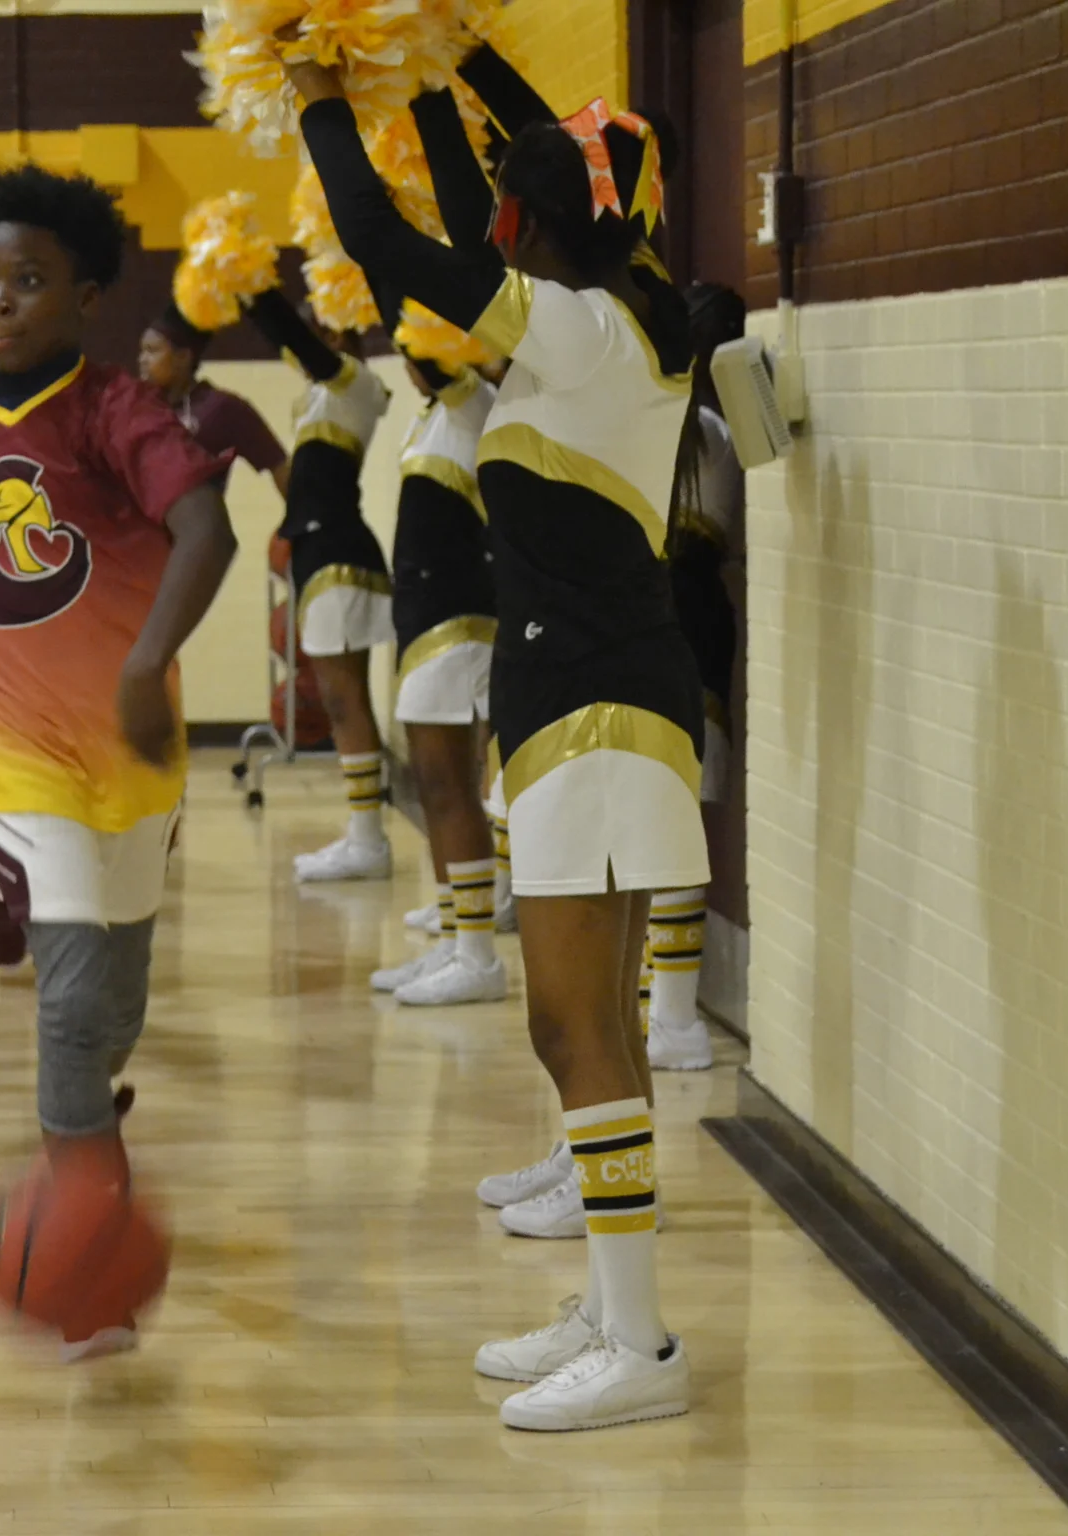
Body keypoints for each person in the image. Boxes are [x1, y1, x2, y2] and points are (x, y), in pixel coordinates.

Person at [293, 41, 706, 1429]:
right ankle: (610, 1307)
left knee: (569, 1021)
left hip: (594, 711)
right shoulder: (625, 309)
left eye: (506, 214)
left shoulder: (582, 330)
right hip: (592, 703)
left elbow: (383, 236)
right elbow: (517, 195)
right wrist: (434, 62)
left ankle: (639, 1345)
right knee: (596, 1023)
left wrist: (318, 92)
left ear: (530, 223)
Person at [0, 167, 237, 1357]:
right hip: (11, 750)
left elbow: (208, 531)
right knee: (79, 994)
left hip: (131, 751)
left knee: (116, 1001)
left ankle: (85, 1120)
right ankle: (83, 1235)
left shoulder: (118, 414)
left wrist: (146, 669)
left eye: (30, 281)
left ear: (87, 298)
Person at [357, 348, 505, 1007]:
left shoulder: (474, 403)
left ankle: (478, 956)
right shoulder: (436, 415)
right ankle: (454, 936)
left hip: (460, 621)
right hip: (425, 620)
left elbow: (425, 342)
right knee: (433, 785)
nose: (409, 363)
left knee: (450, 786)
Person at [240, 287, 399, 883]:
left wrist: (255, 292)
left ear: (338, 334)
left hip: (339, 554)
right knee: (339, 698)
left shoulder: (355, 384)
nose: (302, 348)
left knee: (343, 698)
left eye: (317, 332)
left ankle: (367, 838)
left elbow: (299, 341)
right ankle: (364, 834)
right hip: (317, 554)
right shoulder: (319, 398)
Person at [639, 279, 747, 1074]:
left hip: (637, 617)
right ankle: (672, 1014)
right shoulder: (722, 431)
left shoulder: (642, 420)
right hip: (697, 621)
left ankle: (654, 1001)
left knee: (644, 822)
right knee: (679, 827)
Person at [136, 305, 290, 498]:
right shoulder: (140, 409)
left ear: (183, 357)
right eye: (142, 351)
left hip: (199, 515)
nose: (142, 360)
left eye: (152, 351)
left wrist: (301, 516)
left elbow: (280, 467)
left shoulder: (221, 408)